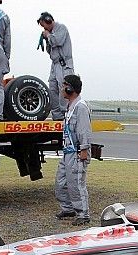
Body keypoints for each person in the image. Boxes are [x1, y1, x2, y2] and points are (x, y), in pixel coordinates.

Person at [54, 74, 92, 226]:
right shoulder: (70, 106)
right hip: (68, 151)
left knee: (76, 183)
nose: (62, 88)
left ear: (71, 88)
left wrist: (83, 149)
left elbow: (84, 130)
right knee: (61, 182)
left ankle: (83, 213)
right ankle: (68, 208)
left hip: (77, 152)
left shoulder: (80, 107)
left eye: (64, 85)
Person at [37, 12, 74, 120]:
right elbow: (50, 51)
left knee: (64, 89)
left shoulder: (61, 28)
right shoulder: (51, 34)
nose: (44, 29)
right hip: (55, 64)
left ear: (49, 20)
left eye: (44, 25)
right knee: (52, 89)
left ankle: (66, 114)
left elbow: (58, 41)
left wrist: (48, 35)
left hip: (64, 65)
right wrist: (47, 40)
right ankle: (57, 116)